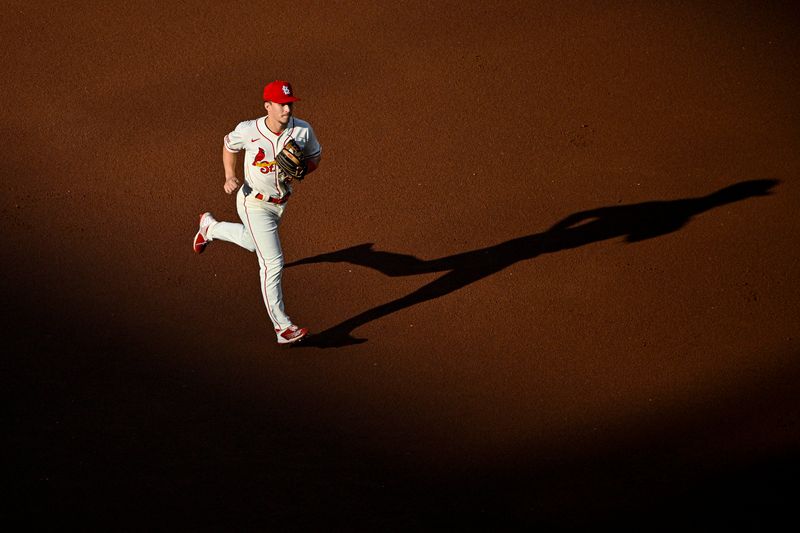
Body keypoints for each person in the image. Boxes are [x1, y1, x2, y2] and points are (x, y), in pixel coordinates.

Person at [193, 80, 322, 345]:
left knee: (254, 243)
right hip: (253, 202)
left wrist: (304, 169)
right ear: (268, 106)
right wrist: (229, 175)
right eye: (282, 105)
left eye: (290, 104)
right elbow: (229, 146)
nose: (287, 110)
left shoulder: (302, 130)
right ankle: (282, 327)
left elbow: (315, 158)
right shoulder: (249, 130)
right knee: (272, 262)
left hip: (280, 203)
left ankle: (210, 227)